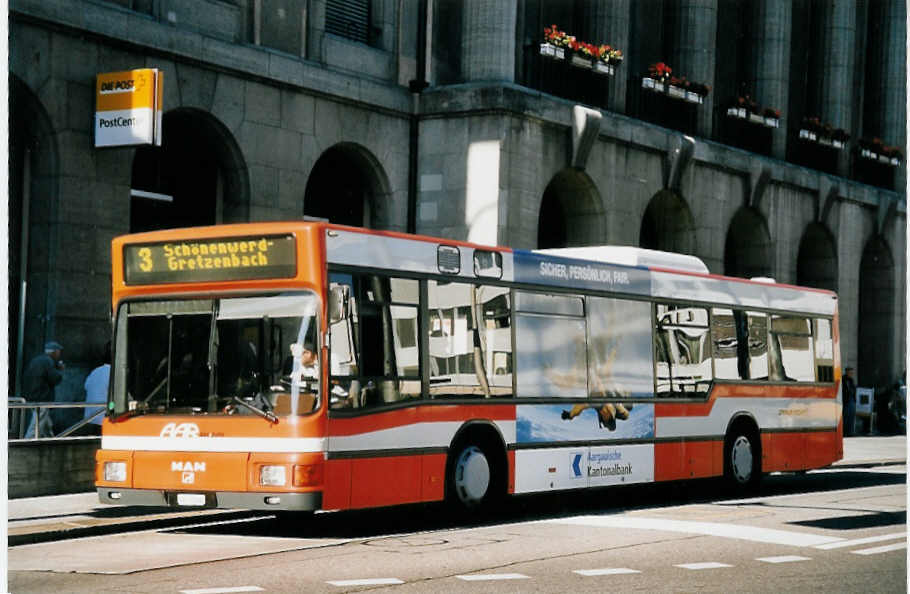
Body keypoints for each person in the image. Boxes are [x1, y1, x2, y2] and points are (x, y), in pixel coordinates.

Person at [23, 341, 65, 438]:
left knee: (46, 425)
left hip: (32, 396)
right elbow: (55, 378)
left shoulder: (37, 360)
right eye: (59, 352)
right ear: (54, 352)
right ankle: (26, 443)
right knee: (36, 427)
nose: (59, 354)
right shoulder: (48, 361)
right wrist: (60, 370)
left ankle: (51, 442)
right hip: (42, 398)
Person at [80, 342, 111, 435]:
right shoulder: (114, 374)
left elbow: (86, 387)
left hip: (89, 419)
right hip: (103, 421)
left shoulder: (95, 371)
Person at [842, 366, 856, 437]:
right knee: (845, 417)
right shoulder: (843, 379)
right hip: (846, 401)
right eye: (850, 373)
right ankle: (844, 432)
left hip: (851, 400)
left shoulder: (851, 380)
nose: (851, 374)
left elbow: (853, 389)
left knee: (851, 416)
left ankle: (850, 432)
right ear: (847, 372)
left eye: (852, 373)